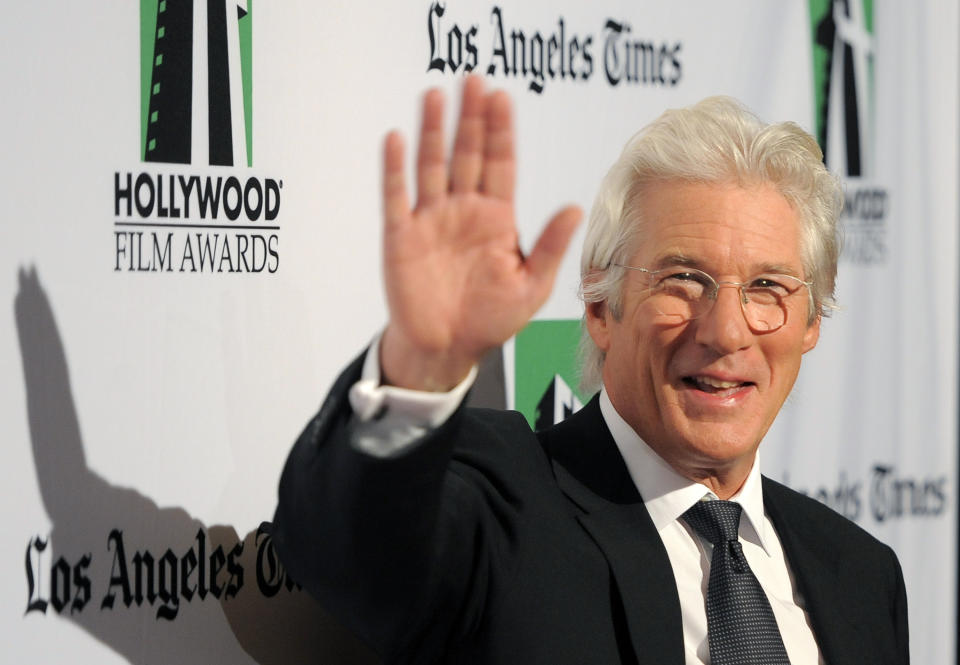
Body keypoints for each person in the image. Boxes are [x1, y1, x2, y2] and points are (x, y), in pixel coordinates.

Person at [272, 76, 908, 664]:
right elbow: (350, 549)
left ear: (810, 323)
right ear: (603, 307)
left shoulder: (860, 576)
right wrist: (421, 365)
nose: (726, 331)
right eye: (684, 279)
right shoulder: (502, 512)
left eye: (768, 286)